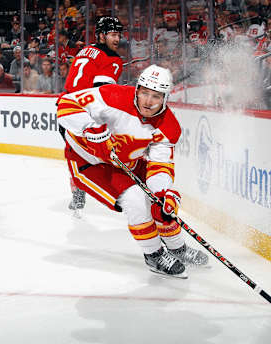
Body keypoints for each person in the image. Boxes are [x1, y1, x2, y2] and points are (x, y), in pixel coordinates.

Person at [56, 64, 209, 278]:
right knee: (136, 200)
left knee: (159, 204)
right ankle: (154, 255)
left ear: (165, 98)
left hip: (127, 161)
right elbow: (66, 103)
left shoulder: (168, 126)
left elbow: (159, 165)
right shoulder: (113, 96)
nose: (147, 101)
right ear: (136, 89)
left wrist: (162, 194)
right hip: (89, 162)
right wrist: (89, 127)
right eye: (144, 92)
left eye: (155, 96)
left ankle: (178, 248)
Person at [62, 16, 125, 215]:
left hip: (66, 109)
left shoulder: (84, 49)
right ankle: (123, 196)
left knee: (75, 154)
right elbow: (101, 91)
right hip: (86, 113)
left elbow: (76, 56)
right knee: (101, 154)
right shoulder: (113, 60)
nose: (117, 39)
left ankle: (78, 193)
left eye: (118, 35)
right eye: (113, 35)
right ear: (101, 35)